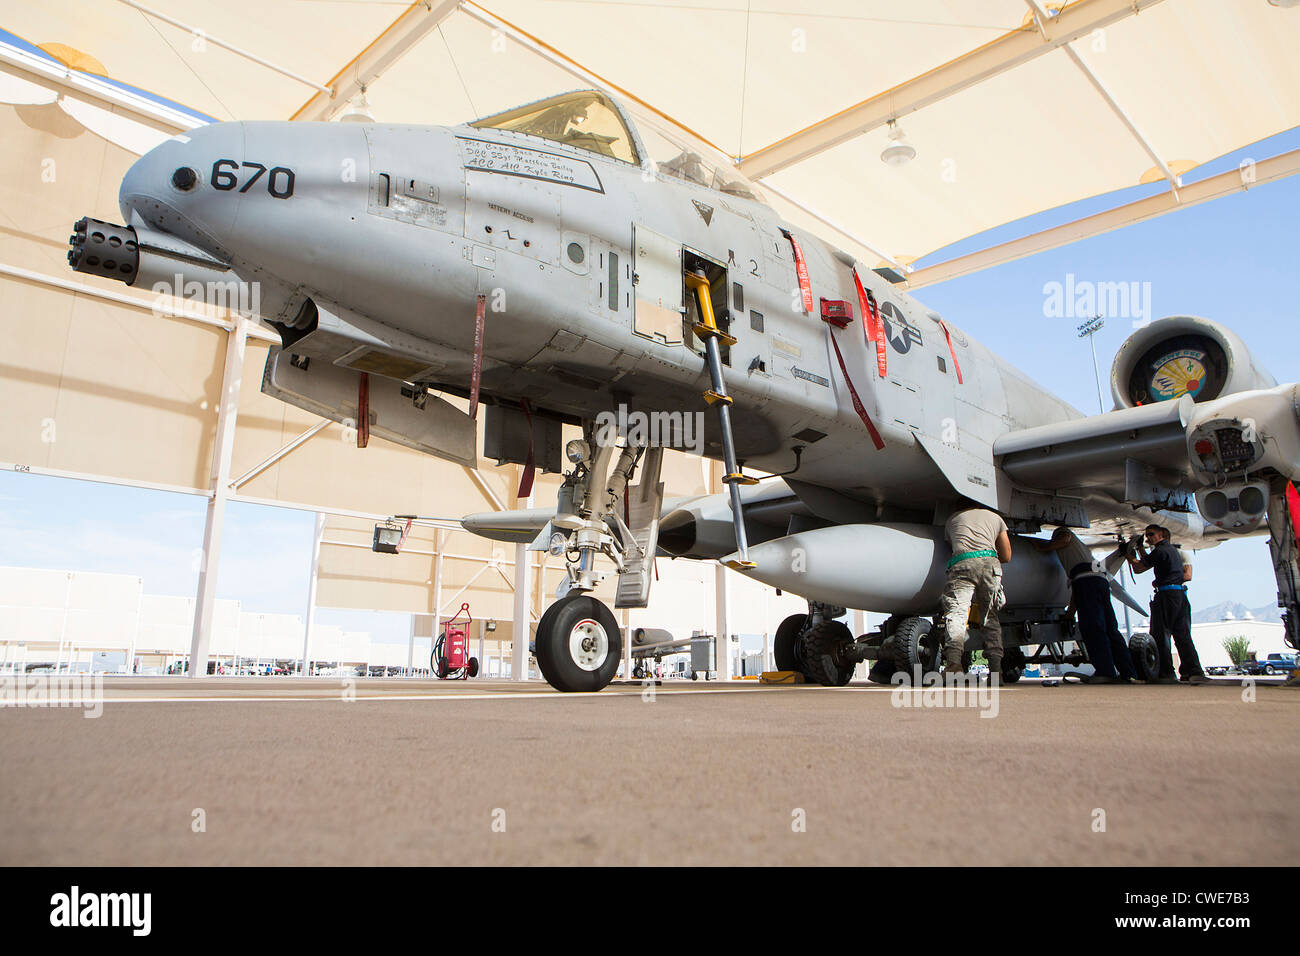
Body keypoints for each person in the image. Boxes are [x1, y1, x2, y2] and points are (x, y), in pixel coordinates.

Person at [1036, 527, 1136, 683]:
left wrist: (1043, 547)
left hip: (1086, 582)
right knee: (1110, 629)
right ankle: (1128, 673)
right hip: (1098, 581)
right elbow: (1077, 591)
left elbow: (1065, 538)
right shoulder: (1082, 555)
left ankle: (1106, 672)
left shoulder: (1061, 533)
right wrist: (1070, 613)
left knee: (1093, 628)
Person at [1126, 524, 1208, 684]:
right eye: (1147, 535)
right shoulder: (1170, 551)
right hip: (1179, 596)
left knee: (1160, 635)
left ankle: (1165, 673)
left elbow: (1139, 567)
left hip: (1166, 596)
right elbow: (1148, 560)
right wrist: (1141, 548)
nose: (1148, 538)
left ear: (1162, 535)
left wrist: (1127, 554)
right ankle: (1193, 671)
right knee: (1182, 635)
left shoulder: (1161, 551)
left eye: (1151, 534)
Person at [940, 500, 1013, 678]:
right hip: (990, 564)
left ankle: (954, 666)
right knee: (990, 618)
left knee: (956, 615)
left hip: (961, 564)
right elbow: (1007, 555)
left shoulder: (952, 520)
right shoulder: (996, 518)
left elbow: (953, 547)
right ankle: (996, 671)